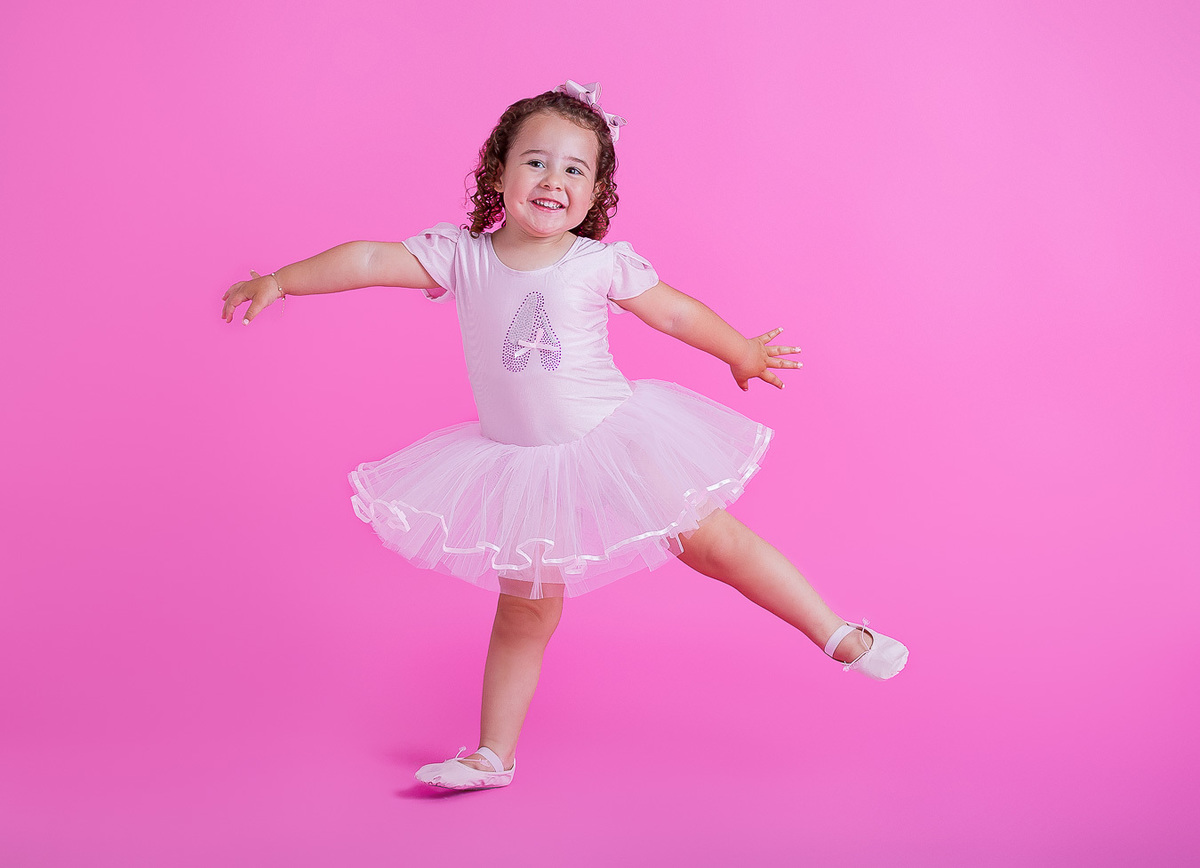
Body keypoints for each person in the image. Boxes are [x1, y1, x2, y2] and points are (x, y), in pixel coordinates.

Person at [221, 80, 908, 791]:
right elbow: (368, 260)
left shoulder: (596, 263)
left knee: (716, 545)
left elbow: (673, 313)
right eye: (536, 162)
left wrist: (741, 351)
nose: (554, 180)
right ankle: (493, 755)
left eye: (575, 169)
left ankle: (838, 635)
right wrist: (282, 280)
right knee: (524, 611)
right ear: (497, 173)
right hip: (521, 468)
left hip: (615, 440)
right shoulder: (461, 256)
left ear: (596, 193)